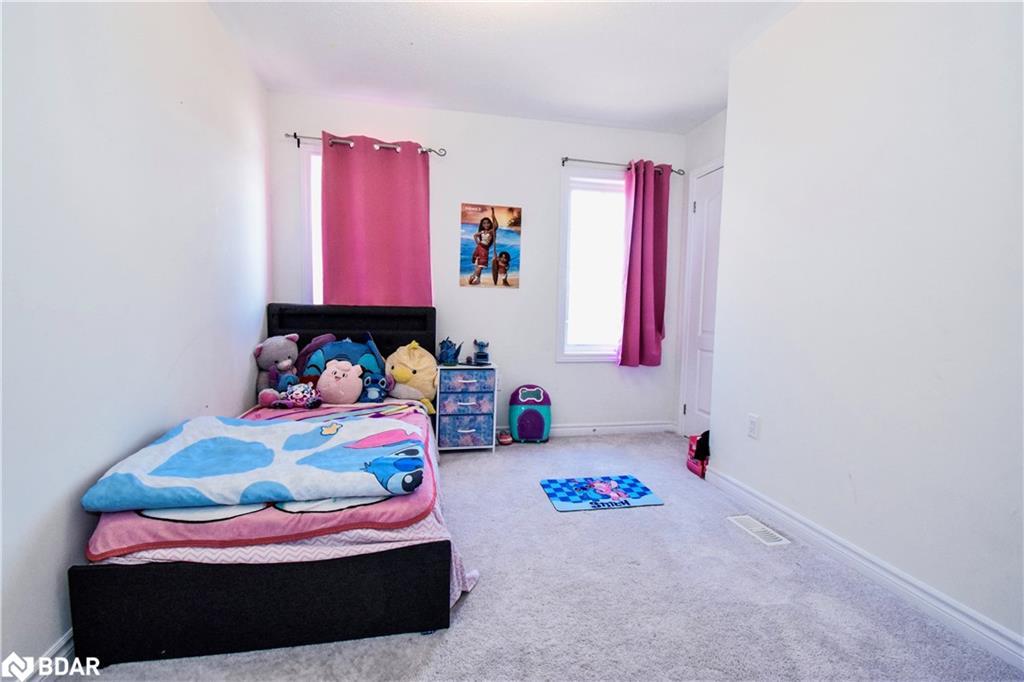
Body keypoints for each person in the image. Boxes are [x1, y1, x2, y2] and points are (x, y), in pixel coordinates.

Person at [467, 207, 499, 285]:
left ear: (490, 223)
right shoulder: (485, 232)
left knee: (479, 265)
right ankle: (473, 276)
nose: (486, 224)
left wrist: (493, 214)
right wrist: (478, 244)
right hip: (483, 249)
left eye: (488, 223)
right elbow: (475, 235)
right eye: (484, 223)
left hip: (480, 248)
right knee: (481, 265)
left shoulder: (489, 231)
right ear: (482, 224)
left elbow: (496, 225)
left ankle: (478, 280)